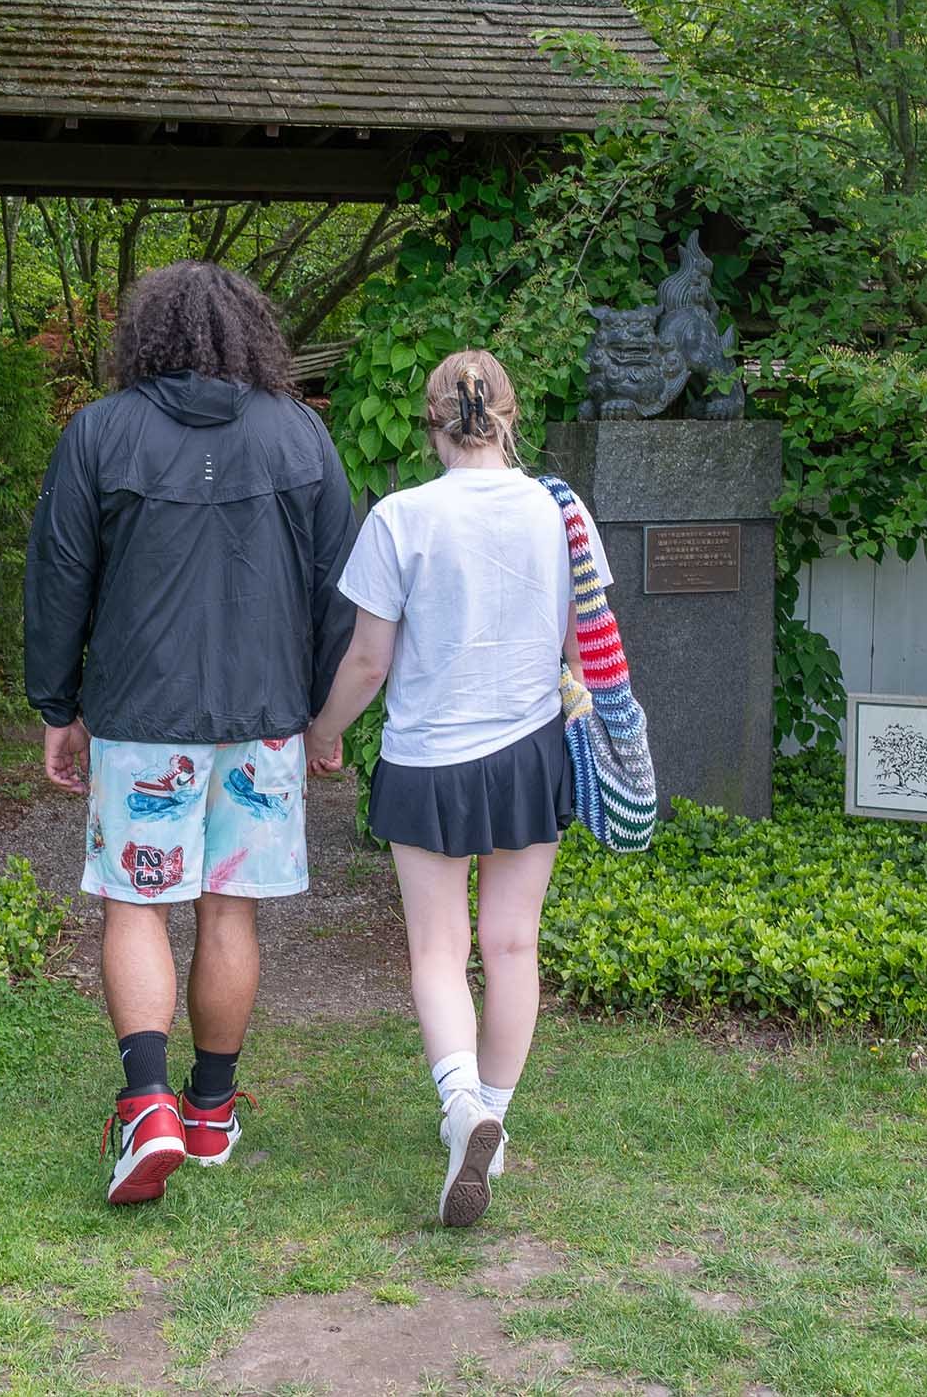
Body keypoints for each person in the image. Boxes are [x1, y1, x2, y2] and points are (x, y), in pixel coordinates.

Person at [25, 260, 358, 1207]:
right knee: (228, 907)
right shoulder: (300, 434)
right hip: (262, 721)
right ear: (250, 333)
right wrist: (323, 712)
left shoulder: (98, 433)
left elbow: (57, 576)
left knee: (135, 903)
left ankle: (147, 1105)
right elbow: (342, 582)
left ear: (149, 336)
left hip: (139, 719)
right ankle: (210, 1110)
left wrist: (57, 704)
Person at [305, 348, 598, 1227]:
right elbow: (583, 650)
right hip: (530, 750)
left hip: (429, 758)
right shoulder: (561, 511)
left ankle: (461, 1106)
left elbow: (368, 660)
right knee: (511, 946)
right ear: (510, 414)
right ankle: (495, 1120)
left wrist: (324, 733)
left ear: (432, 421)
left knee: (437, 951)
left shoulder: (401, 515)